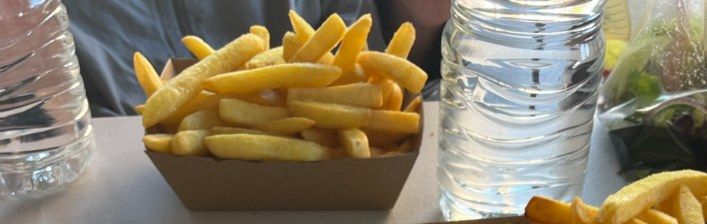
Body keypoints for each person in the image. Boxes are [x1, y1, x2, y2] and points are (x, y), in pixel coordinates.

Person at [64, 1, 450, 117]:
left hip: (320, 212)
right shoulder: (36, 14)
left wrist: (428, 23)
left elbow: (377, 85)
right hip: (119, 221)